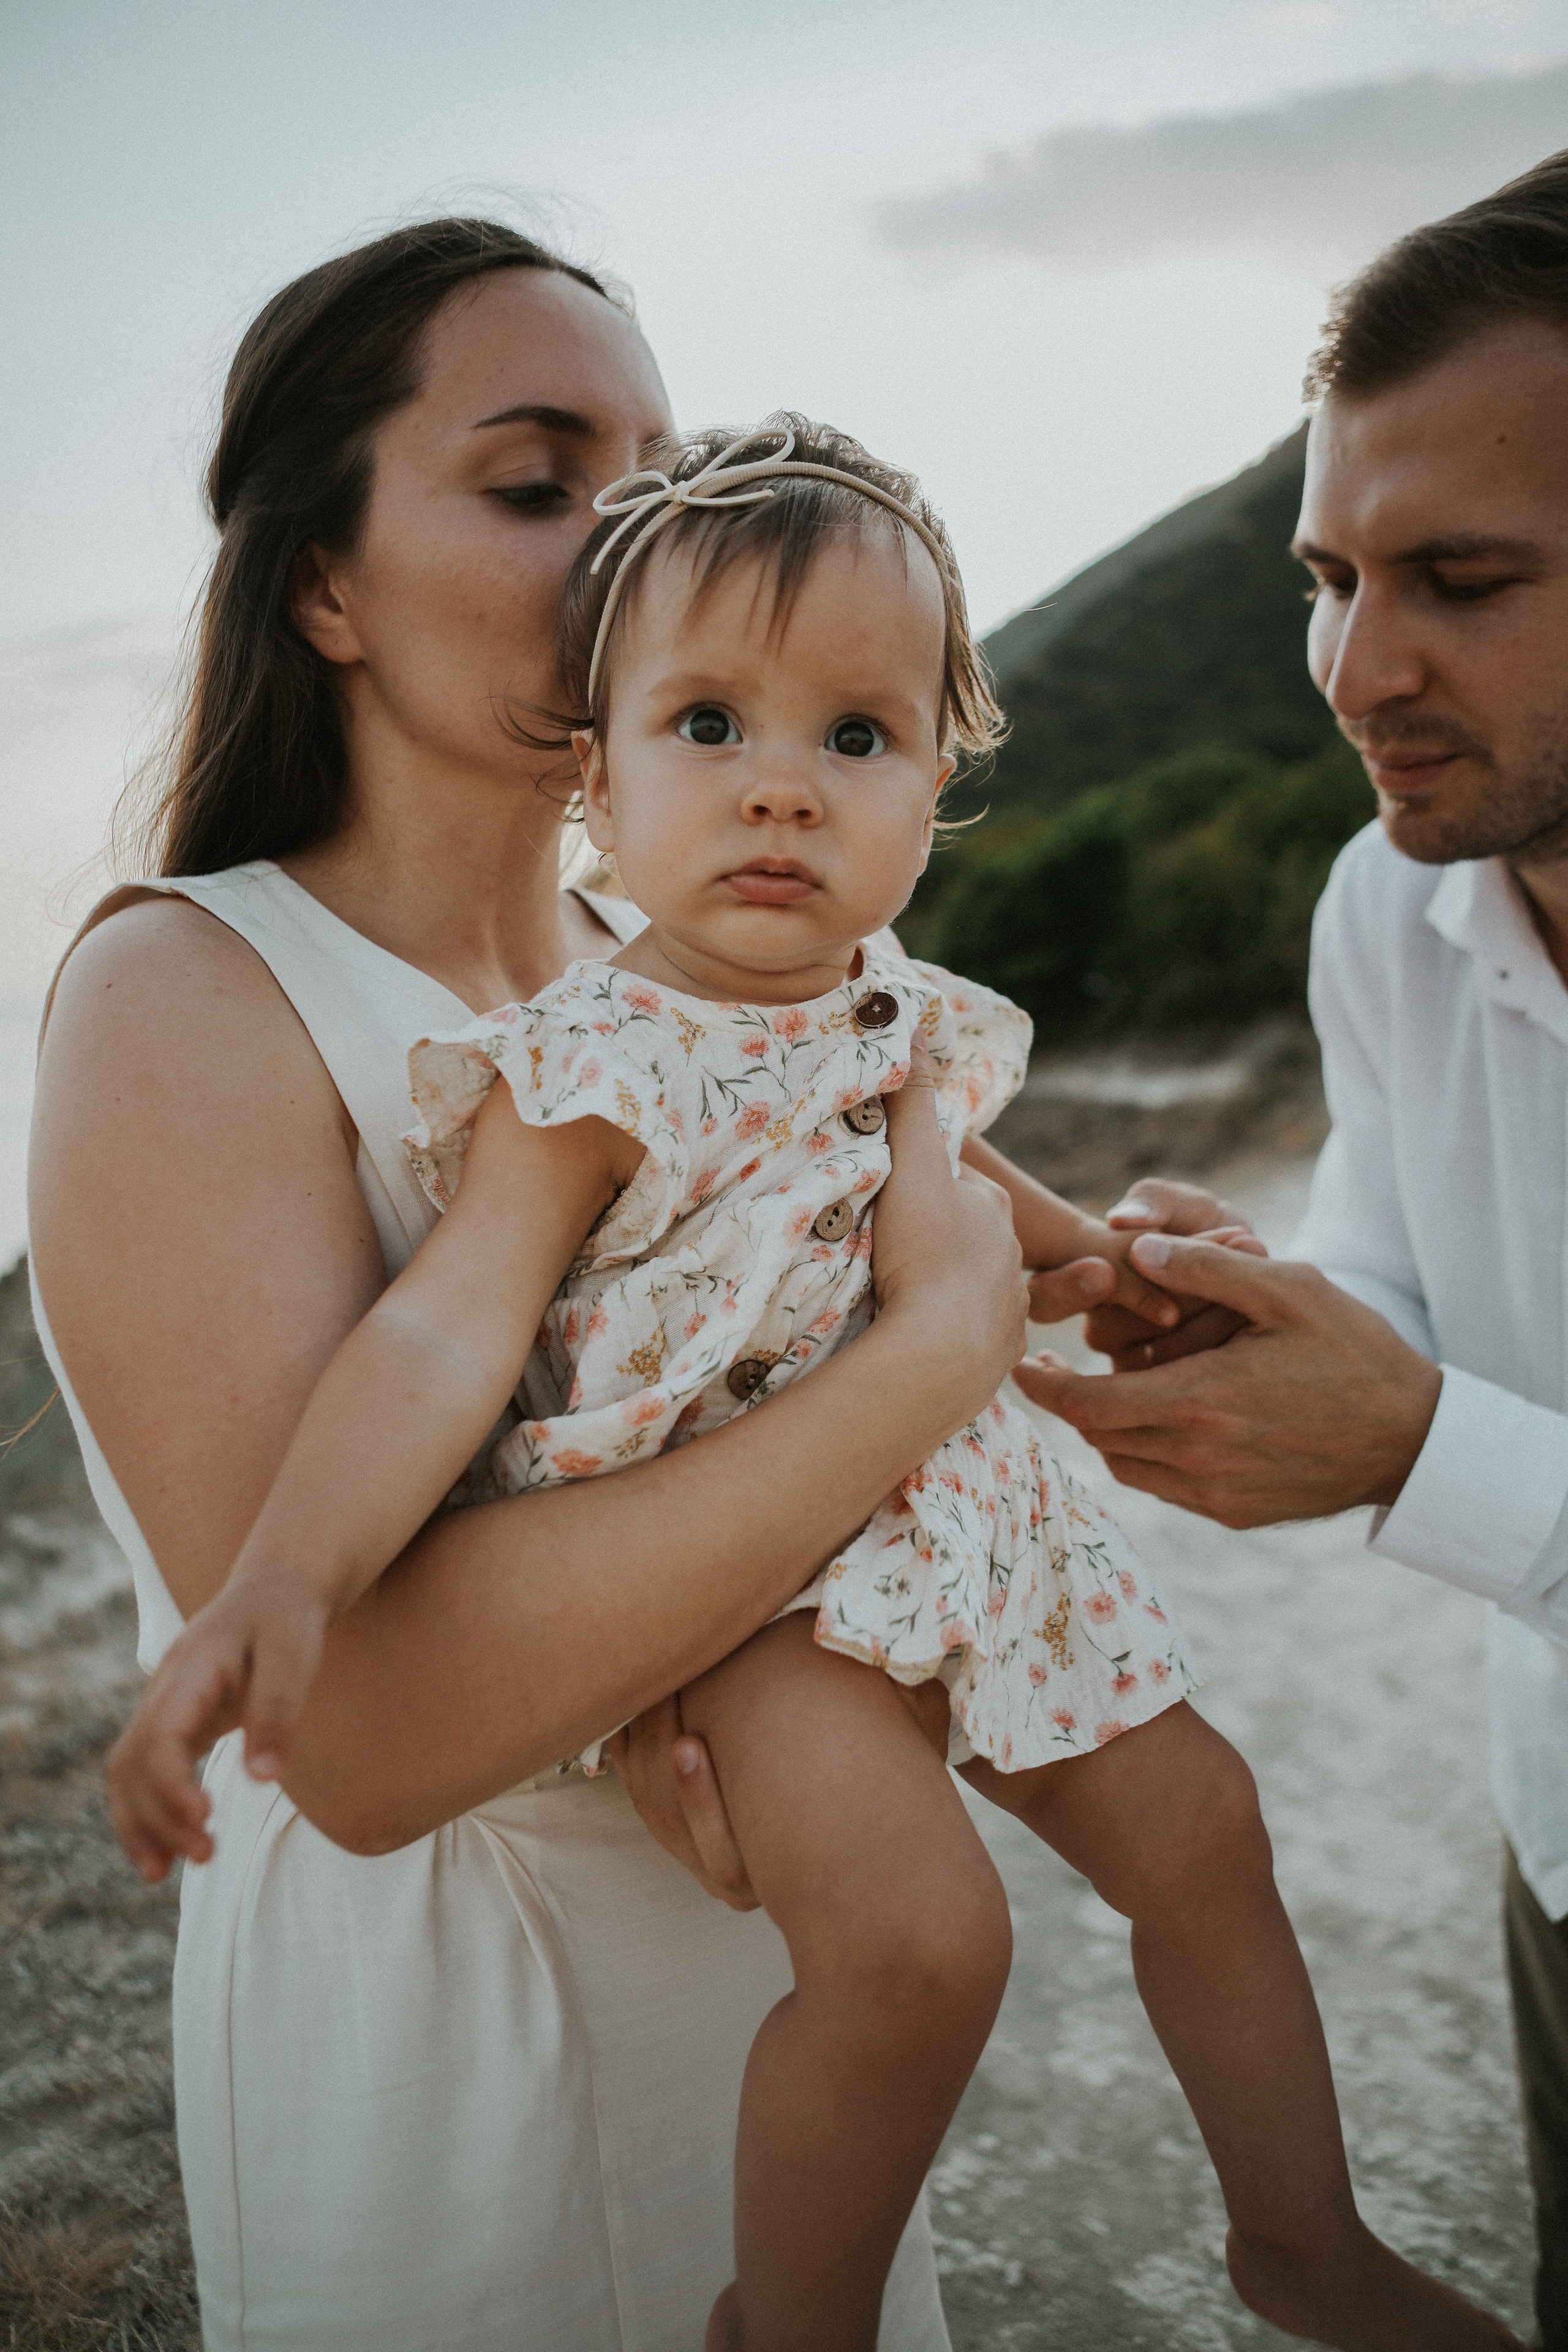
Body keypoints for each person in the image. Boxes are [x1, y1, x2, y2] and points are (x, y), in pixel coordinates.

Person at [107, 414, 1520, 2352]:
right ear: (595, 771)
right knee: (924, 1948)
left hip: (979, 1517)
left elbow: (974, 1197)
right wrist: (283, 1577)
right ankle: (795, 2323)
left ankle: (1301, 2239)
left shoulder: (905, 1015)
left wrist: (1125, 1271)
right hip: (755, 1590)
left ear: (937, 786)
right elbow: (440, 1332)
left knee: (1207, 1827)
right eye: (710, 726)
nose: (783, 791)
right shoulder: (583, 1059)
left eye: (855, 738)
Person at [30, 221, 1055, 2352]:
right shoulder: (186, 992)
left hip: (756, 1986)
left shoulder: (660, 983)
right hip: (462, 2043)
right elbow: (373, 1735)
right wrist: (930, 1363)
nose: (632, 537)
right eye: (536, 479)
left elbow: (907, 1257)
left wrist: (1113, 1287)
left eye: (659, 472)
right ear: (323, 582)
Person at [1017, 150, 1568, 2348]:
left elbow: (1439, 1418)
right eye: (1327, 574)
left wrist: (1416, 1440)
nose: (1358, 664)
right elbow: (1408, 1273)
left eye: (1461, 575)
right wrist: (1264, 1305)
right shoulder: (1386, 906)